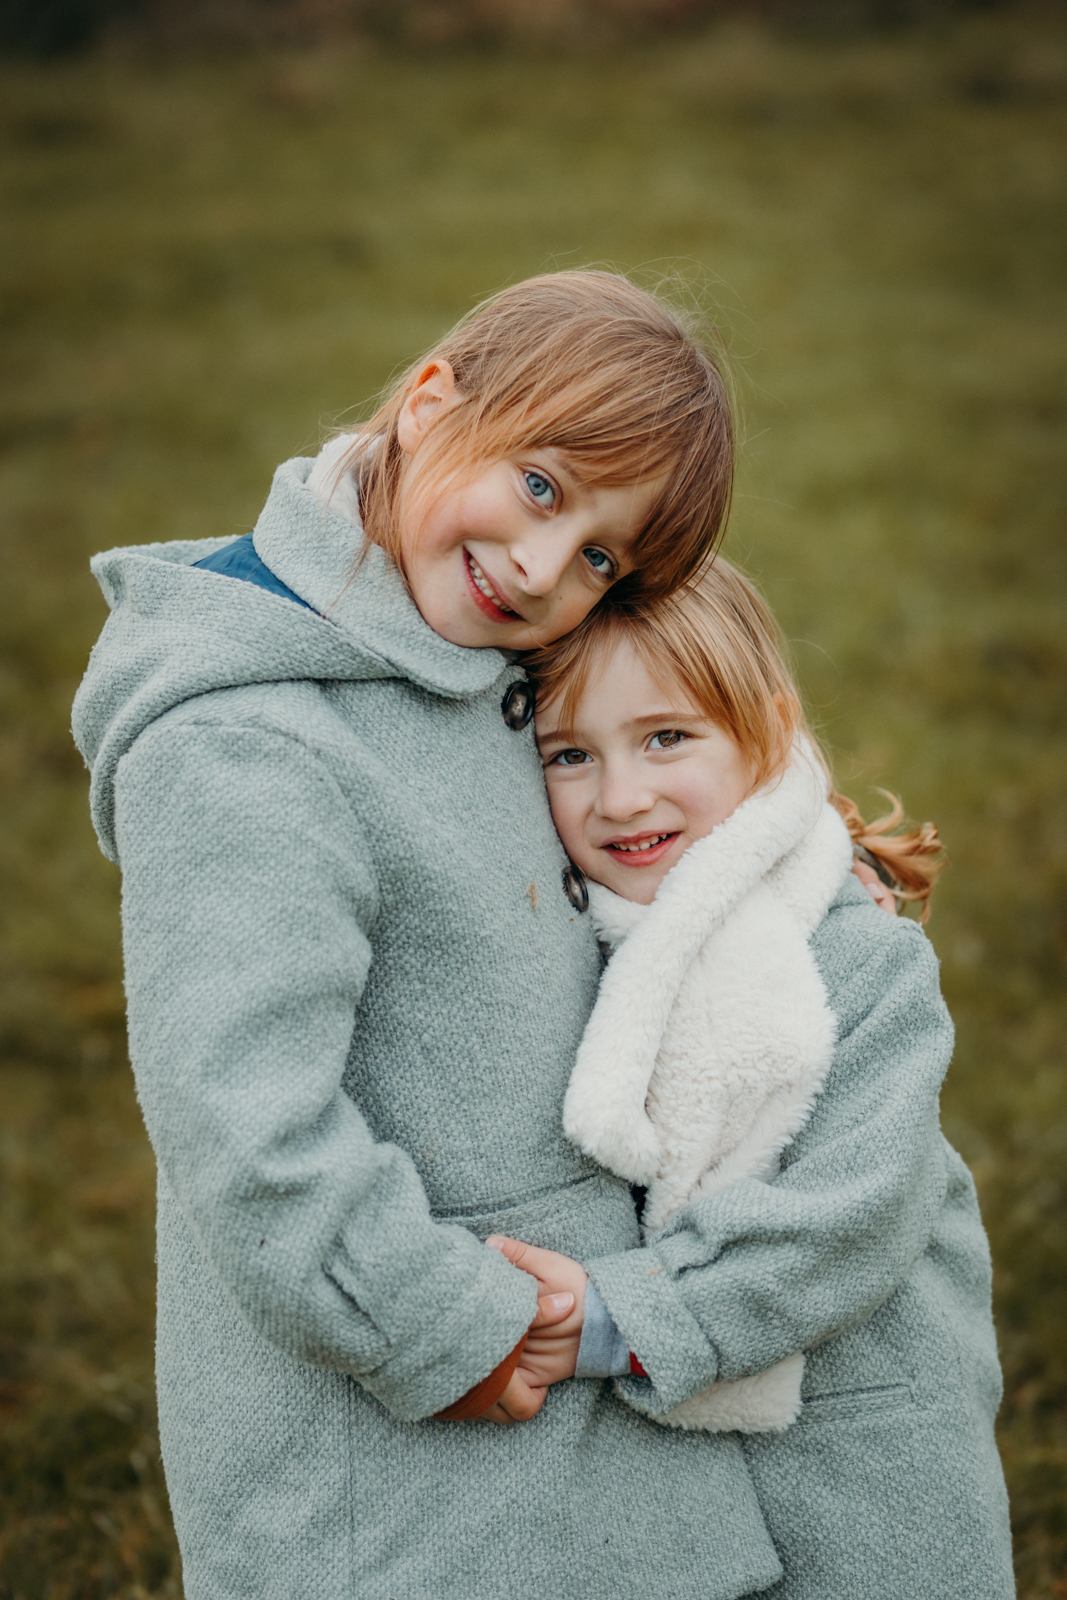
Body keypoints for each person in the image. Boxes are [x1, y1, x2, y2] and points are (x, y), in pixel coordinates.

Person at [74, 268, 800, 1600]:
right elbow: (244, 1116)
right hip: (405, 1457)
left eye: (599, 557)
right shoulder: (249, 744)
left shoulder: (456, 634)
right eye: (537, 486)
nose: (539, 568)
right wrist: (443, 1321)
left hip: (573, 1417)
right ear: (424, 401)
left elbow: (634, 801)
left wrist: (786, 870)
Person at [487, 557, 1014, 1598]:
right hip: (665, 1476)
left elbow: (852, 1214)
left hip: (865, 1447)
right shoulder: (576, 954)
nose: (620, 796)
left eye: (666, 736)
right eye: (567, 754)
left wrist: (615, 1316)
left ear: (766, 730)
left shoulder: (852, 957)